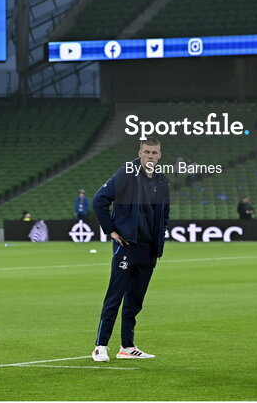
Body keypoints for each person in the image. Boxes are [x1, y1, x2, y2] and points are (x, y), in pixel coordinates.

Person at [91, 138, 171, 362]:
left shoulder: (162, 181)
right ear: (140, 152)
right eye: (147, 152)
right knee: (114, 297)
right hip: (127, 246)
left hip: (149, 249)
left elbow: (164, 216)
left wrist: (159, 241)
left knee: (135, 301)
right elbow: (99, 200)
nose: (150, 156)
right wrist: (111, 230)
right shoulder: (127, 173)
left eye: (154, 153)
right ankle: (100, 346)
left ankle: (127, 346)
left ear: (160, 155)